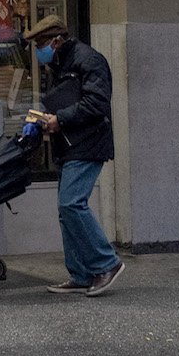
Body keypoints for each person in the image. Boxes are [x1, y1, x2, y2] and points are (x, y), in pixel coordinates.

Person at [29, 15, 122, 297]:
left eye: (42, 44)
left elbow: (96, 103)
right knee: (66, 209)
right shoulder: (60, 63)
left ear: (56, 41)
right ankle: (81, 273)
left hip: (88, 141)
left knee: (71, 204)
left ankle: (106, 263)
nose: (38, 50)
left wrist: (60, 119)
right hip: (70, 142)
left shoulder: (89, 60)